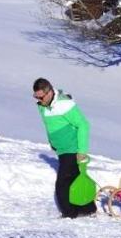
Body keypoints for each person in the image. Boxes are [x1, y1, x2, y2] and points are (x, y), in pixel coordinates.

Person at [33, 77, 95, 218]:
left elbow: (84, 125)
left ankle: (69, 213)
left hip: (72, 150)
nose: (39, 100)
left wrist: (82, 151)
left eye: (41, 97)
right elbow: (51, 126)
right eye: (36, 97)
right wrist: (53, 142)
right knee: (74, 179)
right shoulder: (42, 106)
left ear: (48, 93)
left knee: (62, 185)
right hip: (62, 150)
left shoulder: (65, 104)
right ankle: (88, 208)